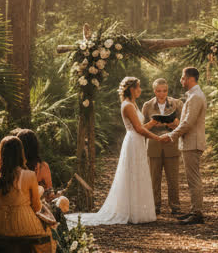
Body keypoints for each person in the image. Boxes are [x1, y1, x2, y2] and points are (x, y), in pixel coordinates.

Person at [66, 76, 159, 226]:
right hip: (133, 142)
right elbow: (138, 129)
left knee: (139, 173)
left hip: (137, 141)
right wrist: (158, 138)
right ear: (131, 89)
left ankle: (139, 211)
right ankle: (131, 212)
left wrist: (153, 123)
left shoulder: (134, 104)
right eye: (138, 87)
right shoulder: (127, 105)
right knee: (132, 173)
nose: (140, 90)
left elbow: (141, 128)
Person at [0, 136, 56, 253]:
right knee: (49, 233)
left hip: (0, 224)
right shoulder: (28, 175)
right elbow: (36, 206)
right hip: (23, 222)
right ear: (21, 153)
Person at [160, 67, 208, 224]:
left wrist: (172, 135)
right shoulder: (194, 95)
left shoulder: (195, 96)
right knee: (192, 177)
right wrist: (174, 126)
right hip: (190, 141)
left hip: (192, 143)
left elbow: (188, 123)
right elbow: (186, 122)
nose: (181, 80)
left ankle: (197, 213)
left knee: (193, 178)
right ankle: (195, 210)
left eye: (182, 78)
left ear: (190, 79)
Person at [142, 77, 184, 216]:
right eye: (159, 91)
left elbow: (183, 125)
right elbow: (142, 128)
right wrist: (154, 123)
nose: (162, 94)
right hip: (154, 144)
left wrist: (168, 124)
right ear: (154, 91)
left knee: (173, 178)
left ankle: (175, 207)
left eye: (164, 91)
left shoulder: (177, 104)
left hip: (171, 143)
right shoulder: (147, 105)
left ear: (167, 90)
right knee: (154, 178)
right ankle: (155, 206)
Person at [12, 127, 69, 216]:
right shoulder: (42, 167)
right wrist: (58, 195)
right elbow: (49, 196)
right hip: (37, 211)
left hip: (16, 211)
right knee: (62, 201)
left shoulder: (12, 167)